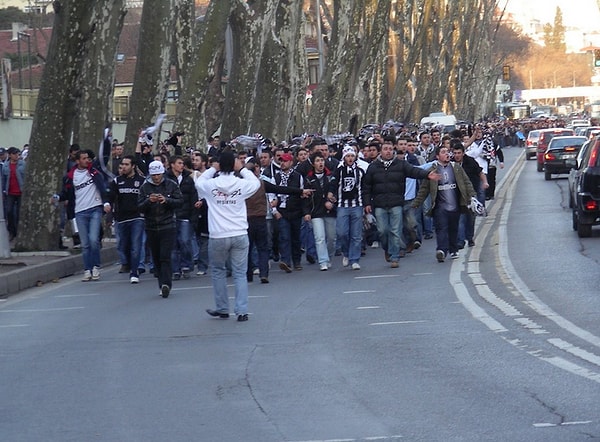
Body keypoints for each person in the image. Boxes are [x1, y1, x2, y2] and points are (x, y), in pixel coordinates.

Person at [195, 150, 260, 322]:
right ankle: (242, 311)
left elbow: (199, 181)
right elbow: (256, 183)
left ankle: (223, 308)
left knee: (218, 271)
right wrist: (243, 169)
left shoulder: (211, 185)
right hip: (239, 233)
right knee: (240, 273)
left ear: (218, 165)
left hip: (217, 235)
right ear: (233, 165)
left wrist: (211, 168)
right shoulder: (241, 184)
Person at [363, 136, 440, 268]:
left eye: (390, 149)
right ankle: (387, 249)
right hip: (379, 204)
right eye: (385, 149)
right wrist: (367, 203)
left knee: (395, 230)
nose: (387, 151)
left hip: (396, 202)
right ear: (381, 151)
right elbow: (366, 187)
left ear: (393, 150)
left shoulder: (400, 164)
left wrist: (427, 175)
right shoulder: (373, 167)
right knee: (382, 231)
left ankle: (394, 256)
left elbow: (413, 171)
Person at [412, 146, 477, 263]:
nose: (447, 154)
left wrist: (472, 196)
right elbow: (424, 189)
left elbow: (466, 182)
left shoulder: (456, 168)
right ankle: (441, 250)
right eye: (443, 152)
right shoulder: (432, 171)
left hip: (455, 204)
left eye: (448, 152)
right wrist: (416, 203)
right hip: (440, 207)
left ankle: (453, 249)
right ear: (437, 156)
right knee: (441, 228)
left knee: (453, 228)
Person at [57, 150, 108, 281]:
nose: (87, 160)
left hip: (95, 209)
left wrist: (106, 203)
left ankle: (96, 266)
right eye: (84, 158)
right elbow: (66, 193)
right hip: (80, 212)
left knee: (93, 240)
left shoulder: (94, 172)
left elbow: (103, 188)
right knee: (85, 244)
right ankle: (87, 269)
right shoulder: (70, 176)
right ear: (77, 161)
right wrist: (57, 197)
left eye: (88, 158)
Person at [138, 160, 183, 298]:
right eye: (153, 175)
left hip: (168, 225)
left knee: (165, 256)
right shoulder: (144, 188)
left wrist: (167, 200)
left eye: (158, 174)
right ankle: (161, 283)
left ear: (162, 173)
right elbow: (139, 207)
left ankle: (166, 284)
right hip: (151, 226)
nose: (156, 177)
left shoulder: (171, 184)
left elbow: (180, 201)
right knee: (156, 257)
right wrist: (149, 201)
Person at [105, 155, 145, 283]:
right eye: (123, 164)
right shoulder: (117, 181)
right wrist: (107, 205)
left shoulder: (142, 181)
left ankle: (134, 272)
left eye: (127, 164)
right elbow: (110, 196)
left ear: (133, 166)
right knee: (123, 246)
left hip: (137, 217)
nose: (124, 167)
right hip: (121, 218)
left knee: (136, 245)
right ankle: (127, 263)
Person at [332, 145, 365, 270]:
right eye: (348, 156)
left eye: (352, 156)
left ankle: (354, 259)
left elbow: (364, 188)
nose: (350, 158)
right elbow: (333, 184)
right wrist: (331, 194)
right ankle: (346, 252)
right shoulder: (339, 171)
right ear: (344, 157)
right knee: (342, 232)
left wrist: (366, 204)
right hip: (342, 205)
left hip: (357, 205)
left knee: (356, 234)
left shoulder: (360, 171)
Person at [166, 155, 197, 280]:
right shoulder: (166, 179)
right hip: (171, 216)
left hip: (185, 215)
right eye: (179, 163)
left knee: (185, 241)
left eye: (182, 163)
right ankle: (175, 269)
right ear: (172, 164)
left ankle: (186, 265)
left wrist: (193, 216)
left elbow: (193, 197)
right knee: (173, 245)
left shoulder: (188, 179)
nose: (181, 165)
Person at [2, 147, 25, 241]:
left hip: (20, 191)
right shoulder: (6, 166)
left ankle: (20, 232)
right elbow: (3, 179)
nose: (17, 156)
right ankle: (12, 231)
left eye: (18, 154)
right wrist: (3, 191)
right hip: (10, 192)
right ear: (10, 155)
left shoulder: (23, 164)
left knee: (20, 213)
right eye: (14, 154)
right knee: (9, 212)